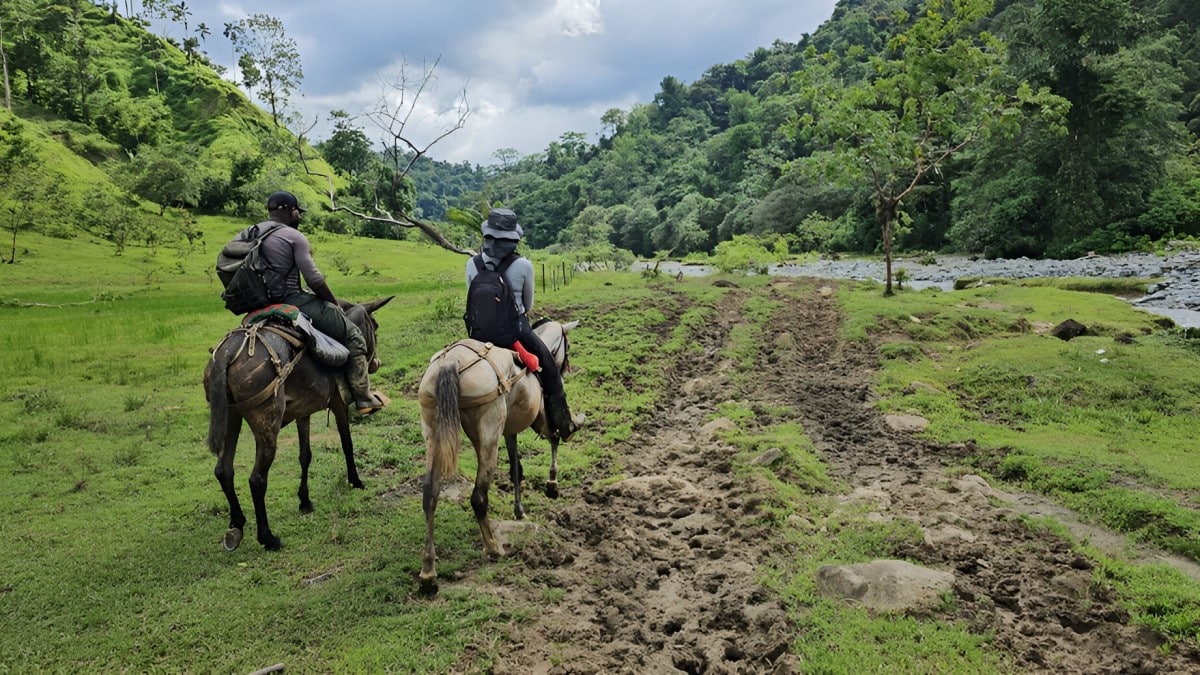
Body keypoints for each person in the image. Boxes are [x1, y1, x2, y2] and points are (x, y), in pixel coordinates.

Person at [251, 190, 385, 415]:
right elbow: (314, 280)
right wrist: (333, 305)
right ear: (290, 211)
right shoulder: (293, 236)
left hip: (259, 304)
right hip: (292, 301)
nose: (300, 217)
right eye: (298, 212)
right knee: (352, 334)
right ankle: (363, 398)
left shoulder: (252, 233)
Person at [465, 208, 579, 441]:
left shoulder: (472, 263)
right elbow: (527, 305)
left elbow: (470, 299)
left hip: (478, 337)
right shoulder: (524, 265)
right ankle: (564, 425)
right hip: (514, 333)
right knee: (551, 372)